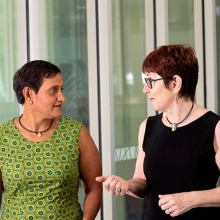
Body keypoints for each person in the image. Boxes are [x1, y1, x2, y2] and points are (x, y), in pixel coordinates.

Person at [96, 44, 220, 220]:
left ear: (175, 83)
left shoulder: (214, 127)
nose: (145, 89)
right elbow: (142, 184)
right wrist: (127, 185)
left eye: (150, 81)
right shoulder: (147, 126)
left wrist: (191, 199)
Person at [0, 60, 102, 220]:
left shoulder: (76, 133)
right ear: (28, 94)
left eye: (61, 89)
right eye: (53, 90)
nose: (62, 97)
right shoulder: (2, 137)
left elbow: (94, 188)